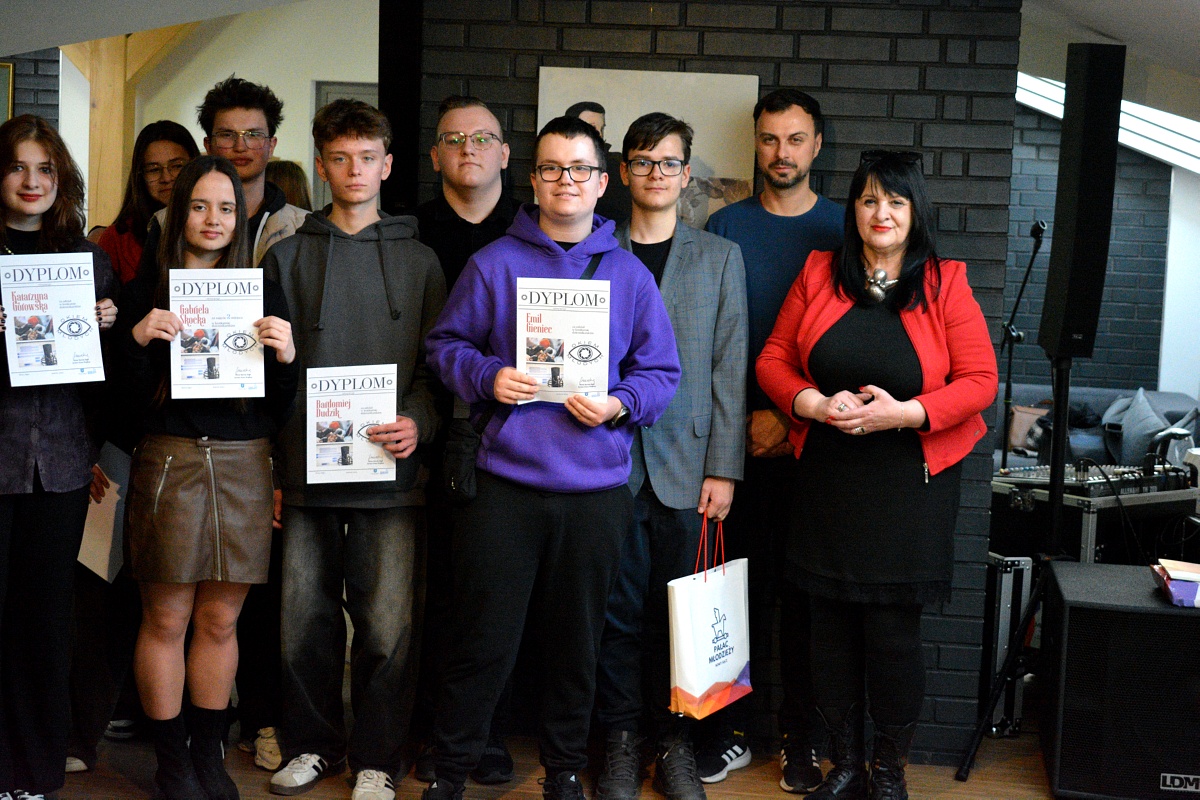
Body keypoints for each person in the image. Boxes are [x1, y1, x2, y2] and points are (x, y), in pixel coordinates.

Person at [422, 115, 681, 800]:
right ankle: (450, 772)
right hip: (504, 486)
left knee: (577, 645)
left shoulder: (627, 275)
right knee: (482, 641)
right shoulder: (493, 263)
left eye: (579, 169)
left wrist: (620, 402)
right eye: (551, 168)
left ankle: (564, 770)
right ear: (533, 180)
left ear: (601, 183)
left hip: (594, 492)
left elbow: (662, 373)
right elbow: (444, 346)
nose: (566, 180)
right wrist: (487, 376)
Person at [756, 151, 997, 800]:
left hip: (908, 486)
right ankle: (843, 766)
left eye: (895, 201)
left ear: (915, 212)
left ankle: (888, 772)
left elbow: (981, 381)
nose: (881, 213)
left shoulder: (944, 282)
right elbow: (774, 358)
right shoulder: (819, 272)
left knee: (892, 637)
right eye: (868, 201)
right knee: (828, 633)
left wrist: (906, 413)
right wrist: (811, 403)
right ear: (854, 212)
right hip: (828, 480)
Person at [262, 98, 445, 800]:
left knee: (387, 628)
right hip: (305, 472)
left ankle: (378, 758)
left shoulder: (421, 262)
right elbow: (262, 376)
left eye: (367, 157)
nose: (354, 170)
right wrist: (274, 466)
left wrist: (418, 423)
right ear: (320, 165)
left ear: (388, 164)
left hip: (391, 472)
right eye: (339, 158)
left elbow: (436, 371)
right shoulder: (286, 257)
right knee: (302, 624)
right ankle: (312, 746)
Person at [119, 154, 298, 800]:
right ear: (178, 213)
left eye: (226, 207)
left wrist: (287, 355)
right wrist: (137, 340)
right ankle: (171, 761)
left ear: (241, 217)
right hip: (169, 458)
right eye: (199, 205)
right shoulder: (147, 288)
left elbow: (279, 406)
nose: (213, 219)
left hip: (245, 461)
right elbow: (120, 408)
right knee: (166, 618)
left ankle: (207, 753)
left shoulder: (261, 289)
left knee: (221, 620)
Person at [593, 112, 747, 800]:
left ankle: (677, 745)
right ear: (623, 172)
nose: (655, 173)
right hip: (606, 466)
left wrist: (725, 468)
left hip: (690, 471)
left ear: (687, 176)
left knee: (685, 620)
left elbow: (728, 369)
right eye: (642, 161)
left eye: (669, 163)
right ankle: (622, 744)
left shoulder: (719, 258)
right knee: (615, 617)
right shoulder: (594, 253)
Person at [700, 88, 843, 793]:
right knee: (732, 597)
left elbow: (858, 343)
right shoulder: (725, 226)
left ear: (816, 145)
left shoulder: (845, 229)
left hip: (817, 448)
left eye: (794, 139)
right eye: (768, 139)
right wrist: (744, 426)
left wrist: (790, 419)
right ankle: (729, 734)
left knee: (808, 606)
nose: (780, 153)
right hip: (735, 450)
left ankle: (800, 740)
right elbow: (708, 342)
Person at [0, 113, 118, 800]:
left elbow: (106, 378)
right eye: (17, 167)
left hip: (63, 465)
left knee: (46, 624)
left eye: (44, 169)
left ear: (61, 178)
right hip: (0, 458)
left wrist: (107, 327)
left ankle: (37, 772)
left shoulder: (86, 259)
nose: (32, 181)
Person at [412, 94, 520, 786]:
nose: (469, 149)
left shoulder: (536, 230)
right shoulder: (410, 233)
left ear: (506, 153)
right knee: (434, 592)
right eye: (454, 139)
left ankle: (490, 734)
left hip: (515, 436)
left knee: (498, 597)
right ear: (435, 156)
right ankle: (434, 731)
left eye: (483, 138)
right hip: (421, 431)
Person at [140, 76, 308, 276]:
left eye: (253, 135)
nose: (240, 147)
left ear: (271, 146)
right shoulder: (166, 221)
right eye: (227, 135)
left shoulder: (301, 226)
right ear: (208, 145)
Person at [97, 120, 200, 284]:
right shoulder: (117, 238)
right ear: (140, 176)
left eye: (177, 166)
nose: (166, 178)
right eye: (154, 170)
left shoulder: (216, 226)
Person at [565, 101, 631, 225]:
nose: (599, 133)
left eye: (602, 128)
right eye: (592, 127)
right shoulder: (559, 165)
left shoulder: (616, 164)